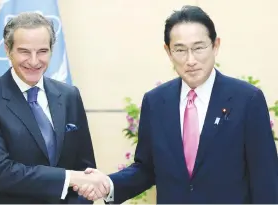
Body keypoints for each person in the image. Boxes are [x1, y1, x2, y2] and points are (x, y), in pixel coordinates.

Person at [74, 5, 278, 203]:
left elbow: (266, 179)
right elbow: (146, 168)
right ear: (168, 51)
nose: (190, 60)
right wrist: (109, 184)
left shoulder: (247, 100)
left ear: (215, 46)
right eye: (180, 50)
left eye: (198, 48)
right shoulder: (155, 102)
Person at [0, 12, 110, 204]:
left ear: (51, 50)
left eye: (42, 51)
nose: (34, 61)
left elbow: (84, 167)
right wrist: (70, 177)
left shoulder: (69, 96)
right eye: (24, 51)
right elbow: (1, 172)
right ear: (8, 50)